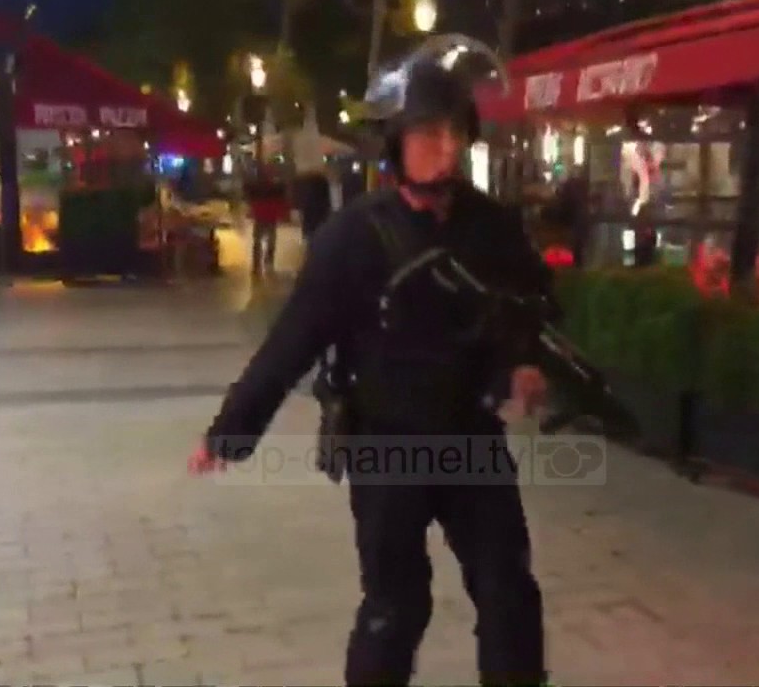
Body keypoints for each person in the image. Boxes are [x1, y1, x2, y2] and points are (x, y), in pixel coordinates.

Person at [189, 35, 552, 687]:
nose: (446, 147)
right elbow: (292, 341)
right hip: (388, 446)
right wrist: (230, 432)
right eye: (429, 133)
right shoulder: (352, 237)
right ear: (395, 142)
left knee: (509, 594)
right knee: (396, 605)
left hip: (472, 438)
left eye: (455, 132)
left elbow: (530, 306)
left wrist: (523, 364)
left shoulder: (491, 226)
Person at [246, 167, 289, 277]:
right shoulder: (276, 186)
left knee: (258, 240)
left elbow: (250, 198)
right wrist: (283, 213)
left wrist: (251, 209)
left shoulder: (256, 186)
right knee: (271, 239)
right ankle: (268, 261)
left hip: (260, 214)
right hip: (270, 215)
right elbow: (281, 199)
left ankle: (257, 264)